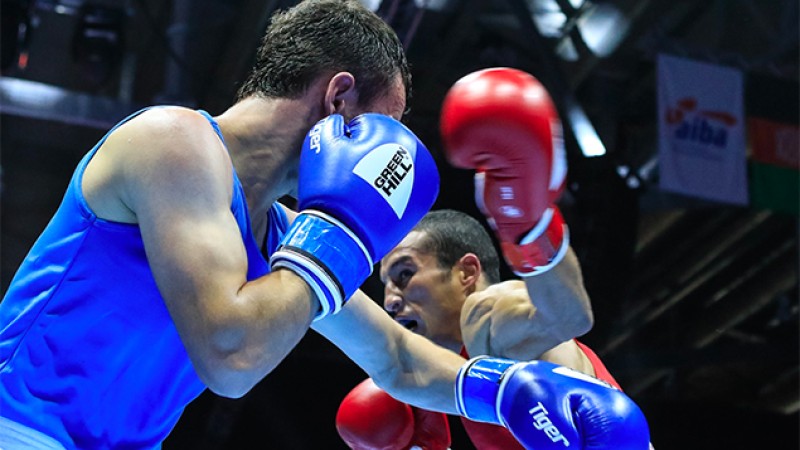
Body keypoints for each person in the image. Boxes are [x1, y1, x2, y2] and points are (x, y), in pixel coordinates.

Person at [0, 1, 464, 448]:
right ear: (338, 98)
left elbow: (397, 358)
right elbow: (232, 356)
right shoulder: (170, 141)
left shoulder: (280, 233)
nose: (386, 156)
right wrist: (341, 235)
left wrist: (508, 390)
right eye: (383, 128)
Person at [335, 68, 651, 449]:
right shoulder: (455, 379)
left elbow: (568, 316)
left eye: (405, 273)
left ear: (467, 272)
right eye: (386, 285)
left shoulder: (488, 317)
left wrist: (528, 227)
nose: (390, 300)